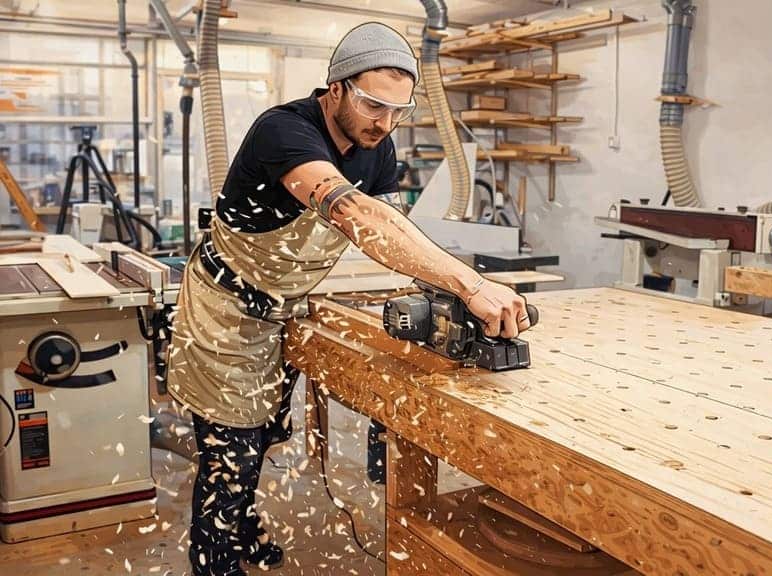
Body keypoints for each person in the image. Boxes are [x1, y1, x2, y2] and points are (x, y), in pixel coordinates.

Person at [167, 22, 532, 576]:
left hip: (285, 309)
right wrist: (472, 286)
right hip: (226, 311)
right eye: (372, 106)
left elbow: (394, 230)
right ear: (334, 88)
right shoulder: (283, 132)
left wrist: (438, 292)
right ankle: (213, 559)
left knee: (262, 436)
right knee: (228, 454)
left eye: (397, 112)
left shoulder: (375, 147)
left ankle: (238, 530)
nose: (384, 124)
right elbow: (357, 216)